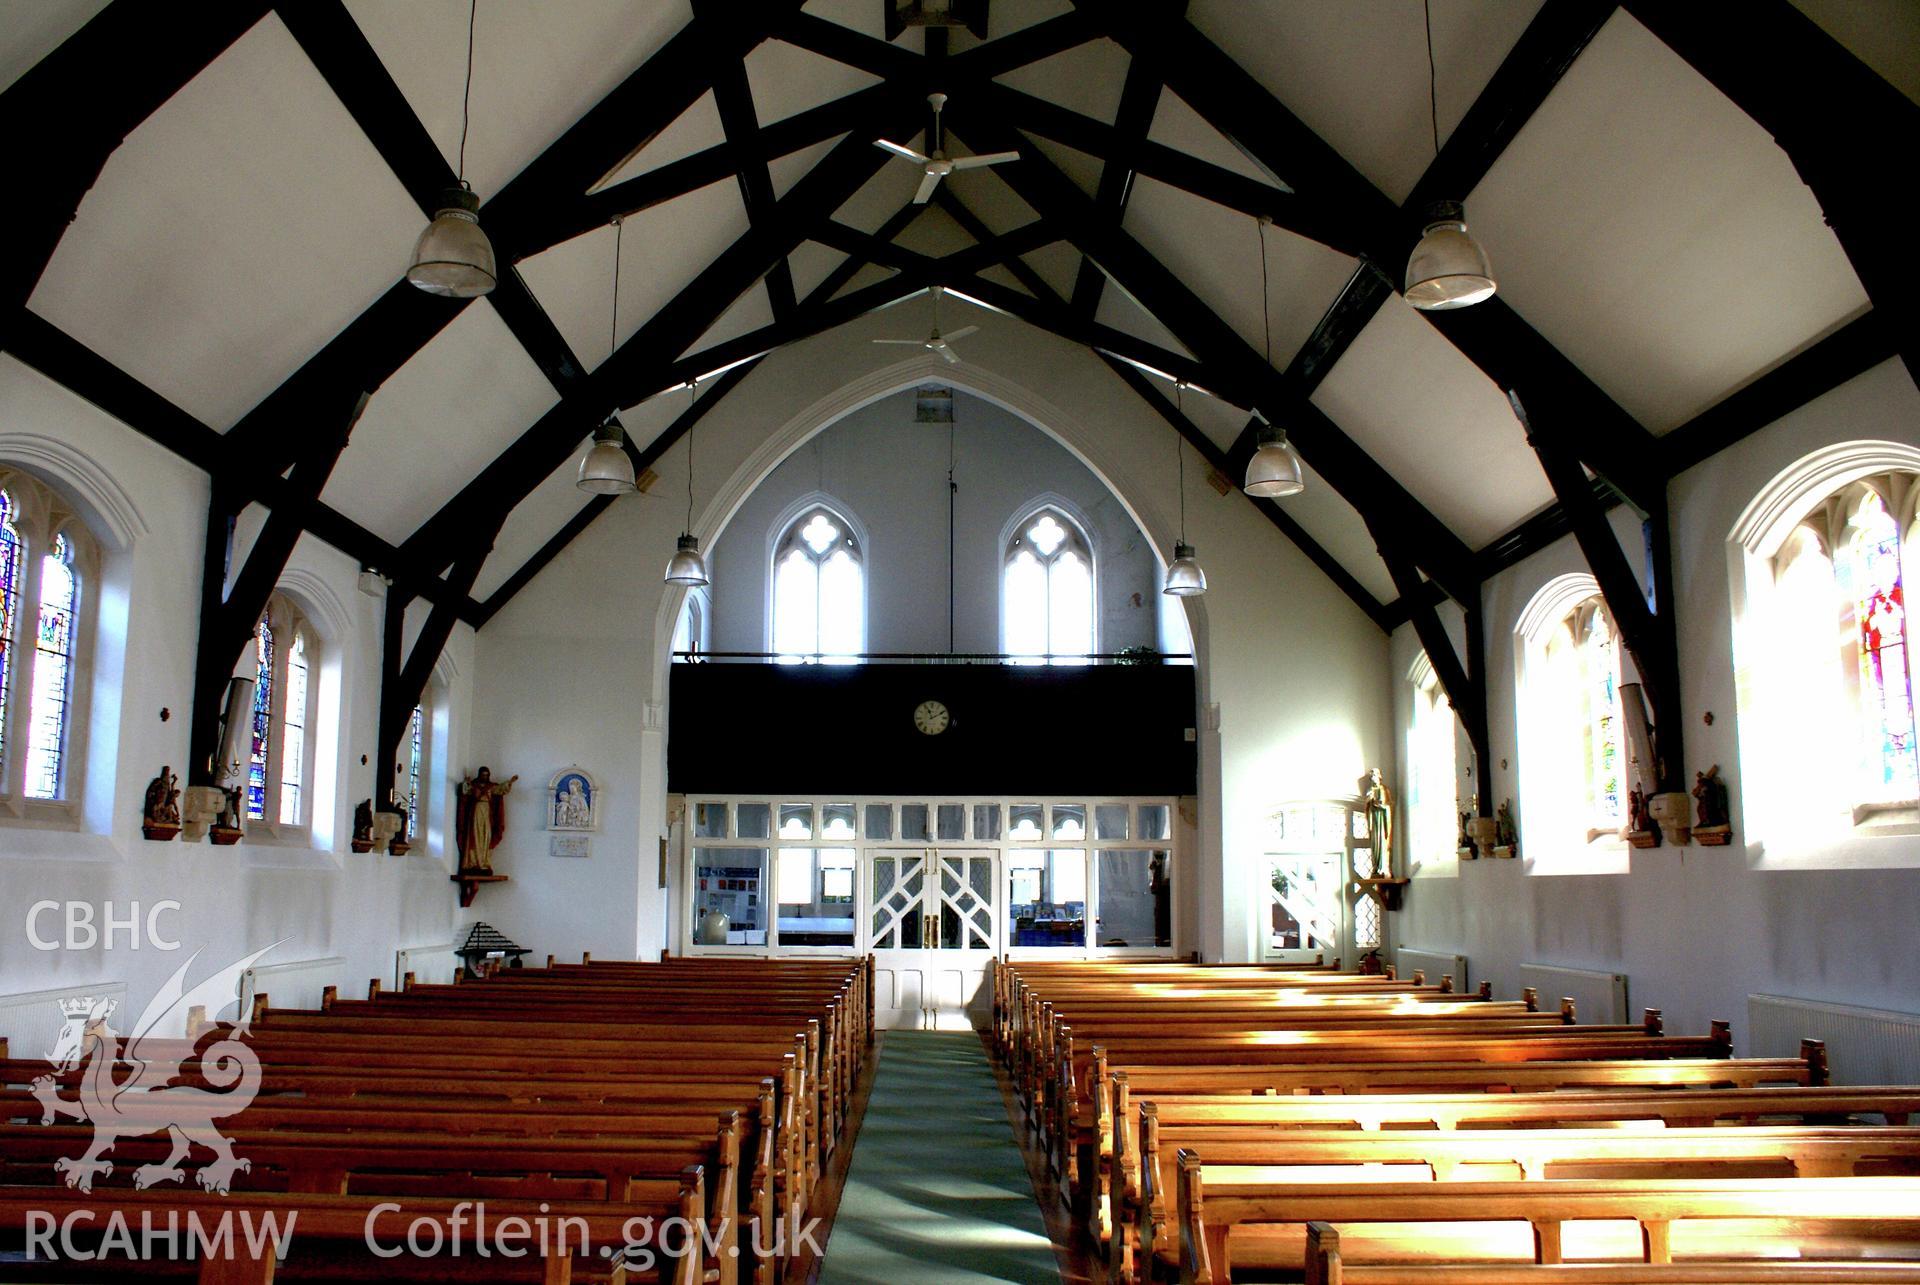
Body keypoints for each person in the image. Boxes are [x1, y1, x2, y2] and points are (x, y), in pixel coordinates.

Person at [456, 767, 518, 872]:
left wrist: (510, 782)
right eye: (483, 775)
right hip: (476, 812)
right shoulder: (474, 786)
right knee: (475, 836)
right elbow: (465, 790)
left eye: (486, 775)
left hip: (487, 814)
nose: (484, 777)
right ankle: (472, 862)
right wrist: (466, 783)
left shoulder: (491, 787)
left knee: (486, 836)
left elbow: (501, 789)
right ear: (479, 775)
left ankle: (484, 862)